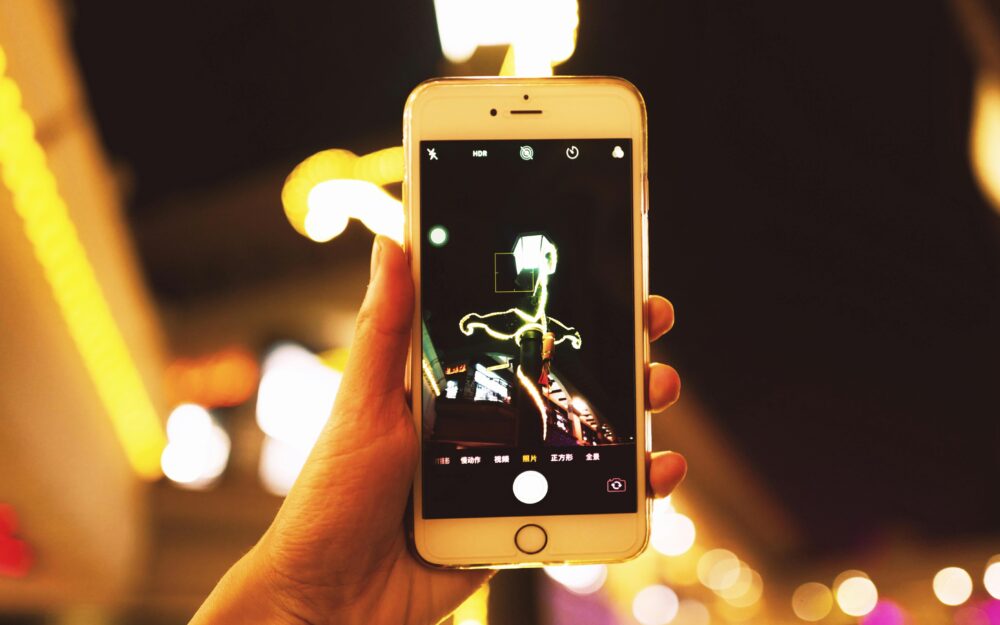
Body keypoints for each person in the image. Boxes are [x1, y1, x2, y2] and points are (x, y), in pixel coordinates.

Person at [190, 237, 686, 625]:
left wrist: (306, 609)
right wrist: (303, 607)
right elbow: (506, 324)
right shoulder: (513, 349)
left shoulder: (542, 349)